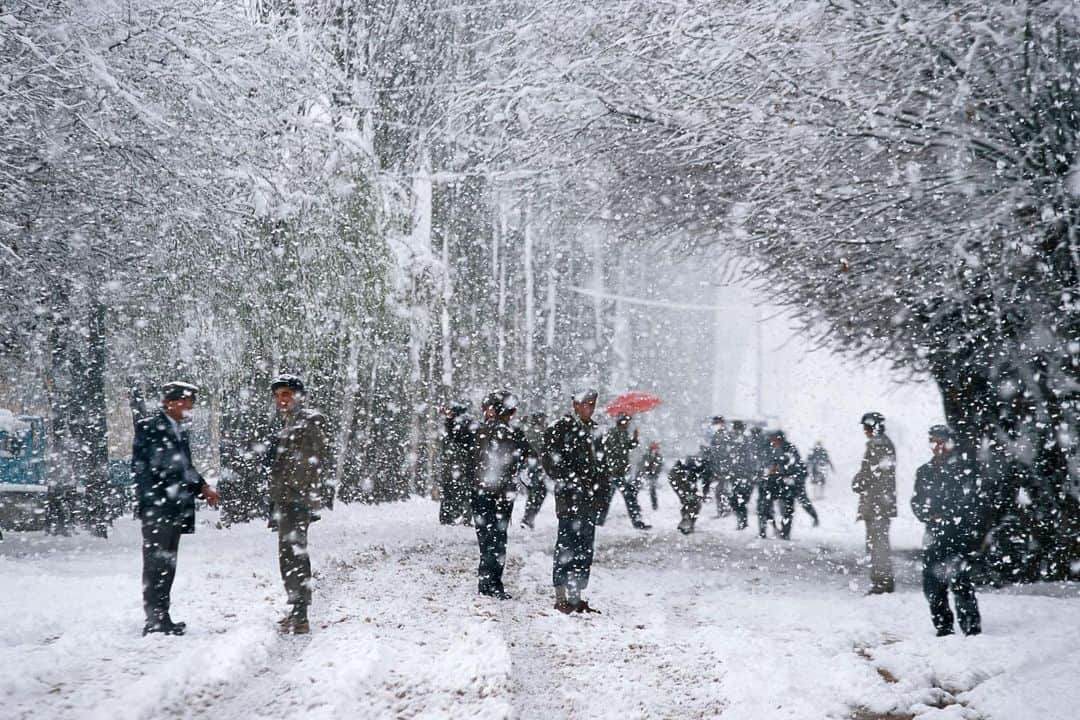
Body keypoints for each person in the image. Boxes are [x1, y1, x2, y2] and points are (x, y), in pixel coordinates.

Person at [131, 381, 220, 636]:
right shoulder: (150, 427)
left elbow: (185, 467)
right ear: (169, 402)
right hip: (158, 507)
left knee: (167, 563)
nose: (189, 407)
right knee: (155, 563)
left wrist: (203, 488)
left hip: (175, 506)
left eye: (191, 402)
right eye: (186, 401)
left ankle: (163, 615)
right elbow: (143, 469)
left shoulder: (179, 430)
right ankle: (154, 619)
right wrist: (156, 499)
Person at [268, 374, 330, 634]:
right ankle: (296, 608)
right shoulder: (288, 422)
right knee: (287, 555)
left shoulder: (309, 419)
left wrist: (296, 489)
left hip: (296, 499)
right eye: (277, 396)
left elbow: (313, 459)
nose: (281, 400)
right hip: (286, 498)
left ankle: (300, 612)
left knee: (295, 554)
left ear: (298, 396)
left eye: (286, 394)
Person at [912, 425, 983, 636]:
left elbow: (970, 503)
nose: (938, 446)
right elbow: (917, 501)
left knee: (961, 583)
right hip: (934, 535)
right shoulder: (924, 471)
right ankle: (943, 628)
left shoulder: (964, 469)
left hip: (958, 534)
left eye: (941, 441)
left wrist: (948, 515)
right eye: (934, 441)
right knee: (932, 585)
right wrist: (927, 514)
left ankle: (971, 627)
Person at [542, 389, 607, 614]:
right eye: (584, 403)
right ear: (575, 404)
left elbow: (602, 467)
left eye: (592, 403)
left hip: (589, 500)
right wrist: (571, 479)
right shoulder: (560, 428)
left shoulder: (597, 431)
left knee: (584, 549)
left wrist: (600, 494)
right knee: (566, 545)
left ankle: (576, 594)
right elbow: (550, 460)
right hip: (569, 498)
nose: (589, 407)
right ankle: (561, 594)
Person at [471, 390, 533, 600]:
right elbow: (528, 457)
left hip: (494, 493)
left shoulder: (496, 431)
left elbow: (528, 457)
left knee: (492, 539)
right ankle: (490, 582)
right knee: (493, 539)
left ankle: (490, 582)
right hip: (490, 492)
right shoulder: (488, 431)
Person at [852, 411, 897, 594]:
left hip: (877, 502)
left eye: (866, 427)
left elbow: (874, 473)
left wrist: (859, 481)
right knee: (877, 543)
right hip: (879, 502)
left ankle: (882, 583)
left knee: (878, 545)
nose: (864, 431)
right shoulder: (881, 444)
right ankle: (881, 581)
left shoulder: (879, 445)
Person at [598, 413, 650, 529]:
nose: (628, 424)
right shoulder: (613, 433)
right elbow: (615, 450)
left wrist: (635, 439)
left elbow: (626, 447)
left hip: (620, 472)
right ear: (621, 422)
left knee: (610, 498)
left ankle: (599, 521)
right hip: (614, 472)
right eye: (627, 421)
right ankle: (636, 522)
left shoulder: (623, 433)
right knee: (627, 496)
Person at [763, 429, 809, 540]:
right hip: (774, 482)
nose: (773, 441)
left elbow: (796, 464)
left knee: (787, 510)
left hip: (786, 483)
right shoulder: (771, 449)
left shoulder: (789, 449)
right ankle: (775, 528)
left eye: (775, 439)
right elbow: (766, 463)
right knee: (766, 507)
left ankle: (785, 532)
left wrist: (787, 473)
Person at [439, 402, 476, 526]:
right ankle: (456, 517)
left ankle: (453, 517)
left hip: (457, 466)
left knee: (456, 491)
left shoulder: (459, 426)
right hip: (458, 466)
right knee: (459, 492)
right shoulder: (464, 426)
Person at [728, 421, 759, 530]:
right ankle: (742, 520)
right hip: (736, 475)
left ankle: (742, 520)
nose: (736, 431)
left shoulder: (747, 442)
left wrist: (752, 473)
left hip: (745, 475)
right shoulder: (732, 441)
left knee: (741, 499)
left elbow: (752, 459)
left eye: (738, 429)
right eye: (735, 429)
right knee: (736, 499)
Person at [520, 412, 549, 529]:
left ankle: (528, 518)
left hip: (531, 466)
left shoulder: (530, 431)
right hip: (534, 466)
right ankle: (528, 519)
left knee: (535, 493)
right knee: (538, 493)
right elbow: (543, 448)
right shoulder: (538, 433)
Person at [668, 455, 706, 534]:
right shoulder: (691, 464)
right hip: (682, 483)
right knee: (692, 503)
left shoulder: (691, 463)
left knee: (691, 502)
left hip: (681, 483)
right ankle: (687, 522)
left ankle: (686, 522)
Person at [636, 441, 664, 511]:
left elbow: (659, 467)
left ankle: (654, 505)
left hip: (652, 475)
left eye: (656, 448)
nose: (655, 450)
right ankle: (636, 505)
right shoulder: (647, 456)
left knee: (652, 489)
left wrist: (654, 471)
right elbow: (641, 465)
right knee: (637, 489)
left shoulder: (658, 457)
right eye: (654, 448)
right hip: (644, 473)